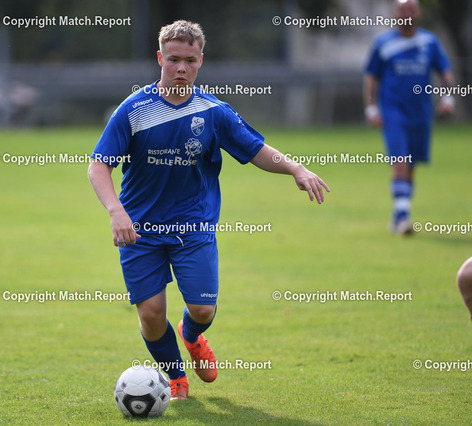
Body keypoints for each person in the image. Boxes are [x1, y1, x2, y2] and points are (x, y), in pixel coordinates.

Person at [88, 20, 329, 400]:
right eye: (173, 60)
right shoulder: (133, 110)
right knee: (150, 314)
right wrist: (115, 211)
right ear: (160, 59)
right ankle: (175, 378)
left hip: (193, 225)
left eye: (189, 60)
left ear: (200, 61)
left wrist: (296, 168)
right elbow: (99, 165)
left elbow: (256, 150)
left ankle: (191, 335)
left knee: (202, 310)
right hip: (138, 228)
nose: (180, 68)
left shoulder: (214, 112)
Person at [363, 0, 454, 235]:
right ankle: (403, 219)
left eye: (411, 9)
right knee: (400, 162)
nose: (406, 14)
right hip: (393, 112)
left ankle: (398, 215)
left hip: (421, 113)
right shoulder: (383, 43)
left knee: (411, 166)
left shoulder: (429, 42)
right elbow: (371, 77)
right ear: (395, 13)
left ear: (418, 13)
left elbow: (444, 71)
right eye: (402, 9)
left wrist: (448, 98)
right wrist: (371, 108)